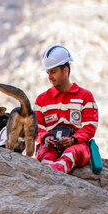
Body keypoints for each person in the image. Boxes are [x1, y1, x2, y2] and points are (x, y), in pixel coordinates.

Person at [34, 45, 98, 173]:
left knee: (71, 154)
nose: (49, 77)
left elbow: (90, 127)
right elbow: (36, 127)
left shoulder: (85, 96)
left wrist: (73, 139)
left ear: (65, 70)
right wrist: (45, 138)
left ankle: (54, 173)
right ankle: (48, 172)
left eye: (53, 72)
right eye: (48, 73)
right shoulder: (41, 100)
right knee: (45, 155)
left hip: (76, 146)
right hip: (50, 146)